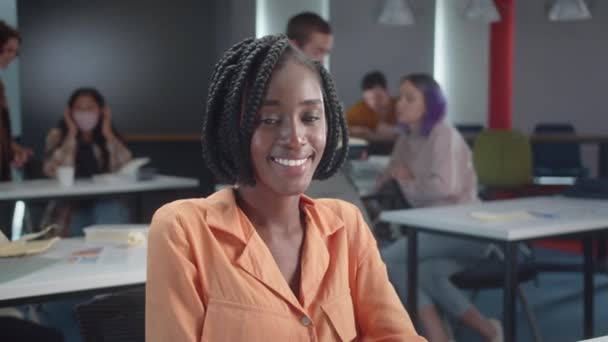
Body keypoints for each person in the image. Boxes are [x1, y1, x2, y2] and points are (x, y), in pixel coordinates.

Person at [146, 34, 426, 341]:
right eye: (268, 119)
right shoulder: (184, 230)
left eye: (310, 117)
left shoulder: (346, 225)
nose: (295, 137)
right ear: (231, 130)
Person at [378, 73, 503, 342]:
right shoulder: (405, 138)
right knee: (425, 272)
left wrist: (406, 180)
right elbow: (389, 173)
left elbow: (442, 189)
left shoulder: (443, 133)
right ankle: (489, 331)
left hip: (466, 228)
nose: (401, 104)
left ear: (429, 104)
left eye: (410, 98)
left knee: (388, 259)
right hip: (432, 230)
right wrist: (393, 176)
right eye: (400, 97)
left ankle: (436, 335)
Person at [42, 87, 132, 235]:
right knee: (78, 224)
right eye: (79, 108)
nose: (84, 113)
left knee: (110, 210)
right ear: (69, 112)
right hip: (71, 205)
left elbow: (126, 166)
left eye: (90, 108)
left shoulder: (107, 136)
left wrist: (107, 133)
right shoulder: (57, 135)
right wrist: (71, 134)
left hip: (105, 201)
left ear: (101, 111)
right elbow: (51, 170)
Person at [346, 70, 399, 140]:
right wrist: (360, 131)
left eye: (378, 97)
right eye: (368, 99)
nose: (374, 103)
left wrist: (395, 131)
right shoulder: (360, 110)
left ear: (387, 91)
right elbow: (338, 128)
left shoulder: (400, 106)